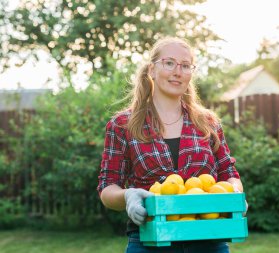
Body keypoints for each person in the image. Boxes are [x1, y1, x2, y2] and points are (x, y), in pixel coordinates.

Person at [97, 37, 246, 253]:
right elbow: (107, 187)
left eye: (185, 66)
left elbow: (229, 173)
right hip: (150, 242)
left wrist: (233, 192)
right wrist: (128, 196)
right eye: (169, 63)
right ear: (152, 70)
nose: (178, 71)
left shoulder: (208, 123)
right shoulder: (122, 125)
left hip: (209, 241)